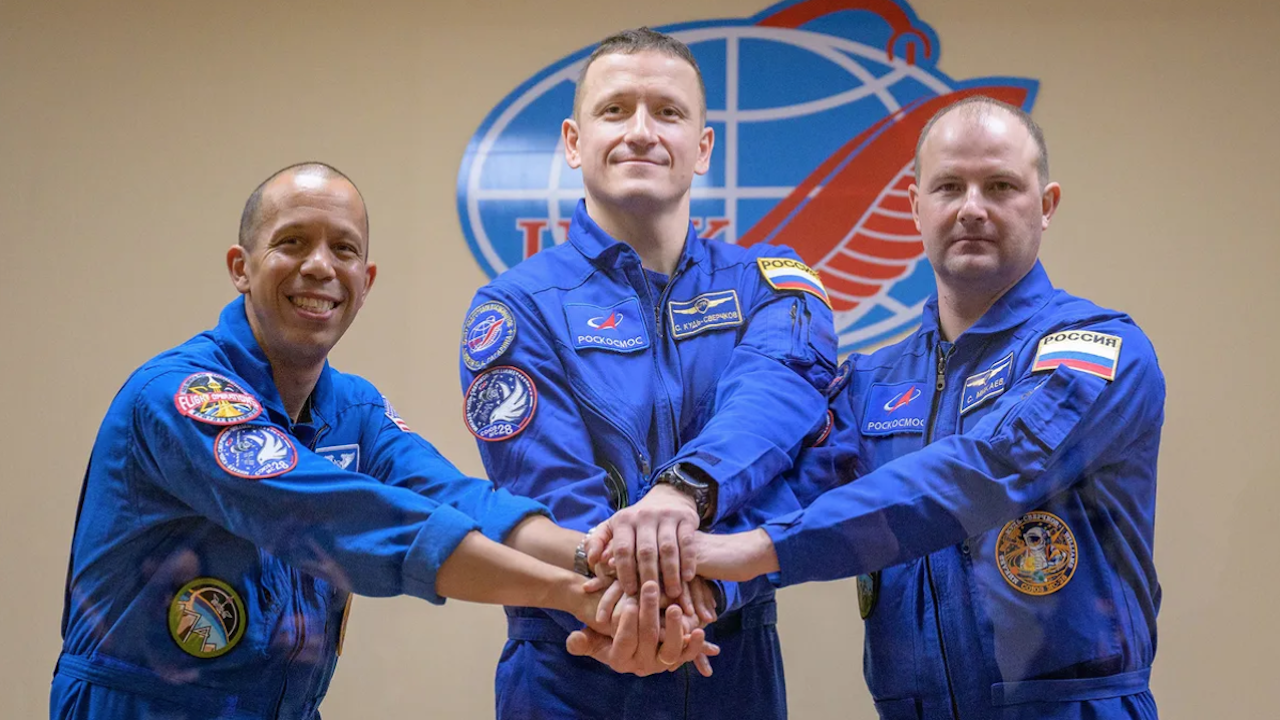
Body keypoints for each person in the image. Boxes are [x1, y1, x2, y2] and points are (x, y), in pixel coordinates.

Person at [51, 162, 681, 719]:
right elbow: (336, 515)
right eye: (292, 242)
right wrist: (572, 595)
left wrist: (595, 557)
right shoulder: (180, 396)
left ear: (366, 279)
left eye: (344, 249)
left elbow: (455, 498)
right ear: (241, 268)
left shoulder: (354, 410)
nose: (320, 266)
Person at [679, 96, 1166, 718]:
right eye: (948, 186)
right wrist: (695, 589)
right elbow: (791, 492)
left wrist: (758, 550)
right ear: (914, 206)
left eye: (1000, 186)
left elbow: (987, 469)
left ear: (1046, 206)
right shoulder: (873, 381)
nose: (972, 208)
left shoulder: (1096, 349)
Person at [458, 27, 836, 720]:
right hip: (572, 662)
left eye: (667, 112)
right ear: (574, 142)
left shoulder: (772, 286)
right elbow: (547, 489)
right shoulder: (515, 306)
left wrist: (695, 528)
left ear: (703, 147)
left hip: (732, 656)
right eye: (615, 110)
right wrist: (630, 608)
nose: (640, 131)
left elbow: (788, 440)